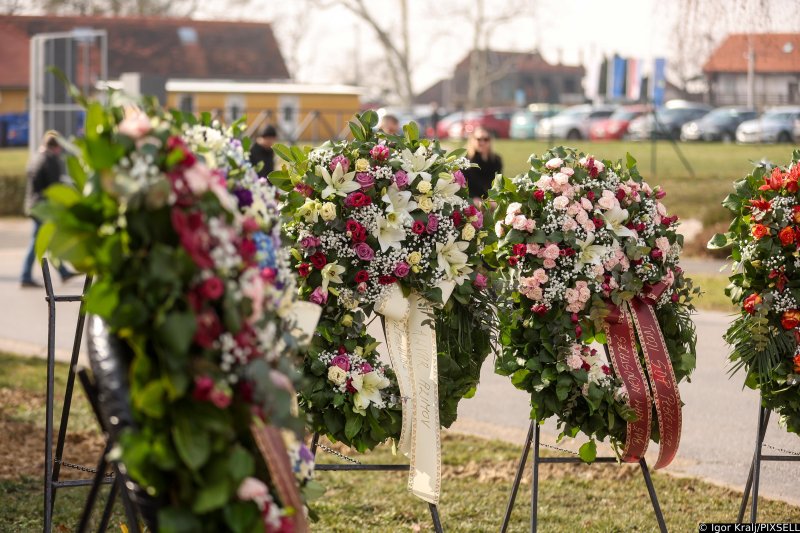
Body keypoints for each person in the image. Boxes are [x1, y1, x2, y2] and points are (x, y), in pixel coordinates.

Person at [20, 131, 77, 288]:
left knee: (47, 239)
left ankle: (63, 272)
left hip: (33, 204)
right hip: (43, 206)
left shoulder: (36, 157)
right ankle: (25, 275)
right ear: (56, 146)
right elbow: (55, 188)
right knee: (39, 241)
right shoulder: (50, 160)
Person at [463, 127, 503, 201]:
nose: (482, 142)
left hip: (489, 198)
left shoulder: (496, 160)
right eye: (479, 139)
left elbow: (496, 184)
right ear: (472, 140)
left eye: (486, 139)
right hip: (470, 198)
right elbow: (464, 185)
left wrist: (492, 199)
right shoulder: (465, 160)